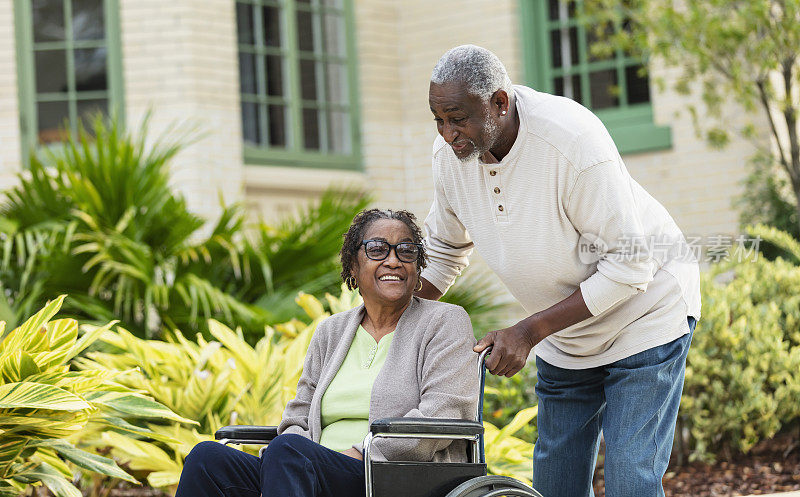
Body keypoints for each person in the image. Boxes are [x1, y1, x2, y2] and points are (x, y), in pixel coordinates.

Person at [416, 44, 701, 497]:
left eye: (458, 118)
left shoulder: (570, 140)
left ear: (499, 103)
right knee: (557, 487)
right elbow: (445, 248)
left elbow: (630, 264)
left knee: (630, 480)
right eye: (438, 119)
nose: (448, 134)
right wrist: (387, 317)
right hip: (564, 337)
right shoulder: (450, 158)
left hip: (645, 317)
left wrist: (529, 331)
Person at [175, 209, 479, 497]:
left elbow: (444, 413)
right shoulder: (332, 331)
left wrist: (361, 452)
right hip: (308, 468)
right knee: (207, 459)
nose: (394, 260)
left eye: (406, 251)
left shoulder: (444, 322)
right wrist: (293, 458)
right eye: (377, 250)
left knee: (289, 453)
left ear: (418, 266)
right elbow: (299, 414)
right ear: (353, 267)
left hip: (394, 475)